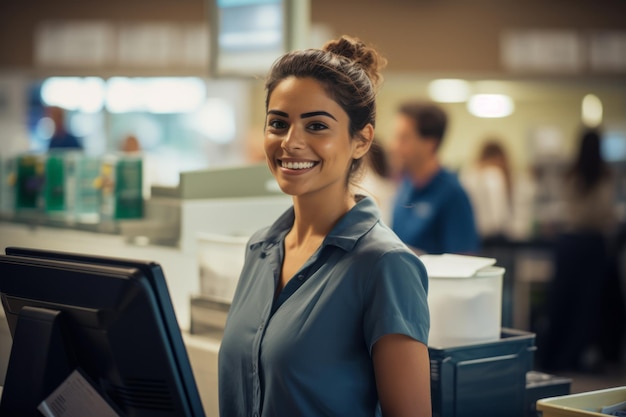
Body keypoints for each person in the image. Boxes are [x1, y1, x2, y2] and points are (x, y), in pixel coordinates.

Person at [218, 36, 431, 417]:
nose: (291, 142)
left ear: (361, 140)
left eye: (316, 126)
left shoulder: (384, 265)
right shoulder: (261, 249)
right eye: (278, 123)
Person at [540, 128, 617, 372]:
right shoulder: (605, 177)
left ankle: (555, 357)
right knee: (585, 306)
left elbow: (565, 211)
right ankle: (574, 356)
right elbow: (606, 216)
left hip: (569, 243)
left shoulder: (571, 174)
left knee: (562, 302)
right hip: (592, 245)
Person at [389, 101, 479, 255]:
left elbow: (463, 261)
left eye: (404, 139)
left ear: (429, 143)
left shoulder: (452, 194)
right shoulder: (405, 187)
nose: (394, 146)